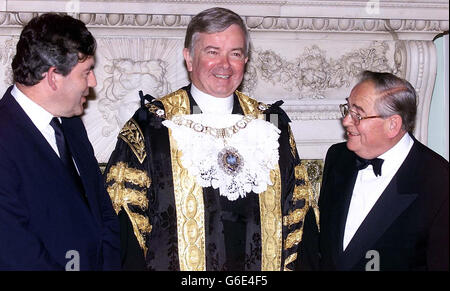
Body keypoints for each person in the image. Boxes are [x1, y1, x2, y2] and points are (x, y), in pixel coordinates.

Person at [104, 7, 319, 271]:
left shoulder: (272, 124)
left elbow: (299, 215)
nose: (225, 65)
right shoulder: (151, 125)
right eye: (212, 52)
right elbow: (125, 225)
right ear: (189, 58)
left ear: (246, 60)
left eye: (235, 54)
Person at [0, 13, 120, 270]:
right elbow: (16, 251)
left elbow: (103, 213)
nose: (93, 82)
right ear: (53, 76)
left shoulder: (71, 124)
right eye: (86, 72)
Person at [315, 70, 449, 271]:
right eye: (347, 109)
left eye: (357, 115)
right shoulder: (338, 157)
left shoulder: (438, 181)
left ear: (392, 125)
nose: (346, 121)